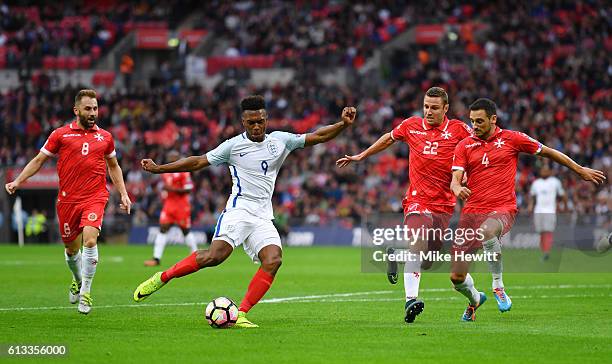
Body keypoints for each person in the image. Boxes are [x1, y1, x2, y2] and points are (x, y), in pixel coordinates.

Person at [133, 95, 356, 328]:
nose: (257, 126)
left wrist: (342, 125)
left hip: (262, 215)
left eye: (260, 121)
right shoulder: (233, 146)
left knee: (273, 260)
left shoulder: (280, 140)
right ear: (243, 122)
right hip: (238, 210)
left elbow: (318, 136)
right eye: (251, 122)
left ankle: (240, 313)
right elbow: (198, 162)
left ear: (266, 119)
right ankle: (162, 277)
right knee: (214, 257)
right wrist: (160, 169)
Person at [450, 98, 605, 321]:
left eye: (480, 121)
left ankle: (498, 286)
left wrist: (579, 169)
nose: (474, 125)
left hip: (502, 208)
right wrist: (456, 187)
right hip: (471, 212)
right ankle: (475, 299)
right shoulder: (464, 145)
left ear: (493, 119)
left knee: (487, 231)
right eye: (472, 121)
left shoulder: (513, 139)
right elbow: (456, 178)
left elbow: (549, 152)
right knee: (456, 277)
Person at [336, 87, 472, 323]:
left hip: (444, 204)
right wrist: (362, 155)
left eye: (434, 108)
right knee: (418, 246)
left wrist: (467, 173)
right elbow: (388, 138)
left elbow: (476, 148)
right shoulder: (411, 125)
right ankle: (410, 300)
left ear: (446, 109)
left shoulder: (459, 130)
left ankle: (396, 256)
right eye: (426, 106)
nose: (428, 111)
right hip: (417, 200)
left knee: (428, 261)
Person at [5, 89, 132, 315]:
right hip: (67, 201)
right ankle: (77, 279)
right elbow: (38, 160)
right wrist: (18, 181)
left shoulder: (105, 137)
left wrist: (123, 193)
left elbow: (113, 166)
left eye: (95, 108)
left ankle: (86, 293)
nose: (93, 112)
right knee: (72, 250)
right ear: (76, 110)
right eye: (88, 109)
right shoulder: (60, 135)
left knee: (90, 242)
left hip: (95, 197)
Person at [144, 151, 197, 266]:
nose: (170, 158)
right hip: (169, 205)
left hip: (181, 206)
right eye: (169, 157)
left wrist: (171, 189)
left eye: (173, 157)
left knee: (185, 230)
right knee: (163, 228)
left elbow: (188, 189)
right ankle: (156, 258)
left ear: (178, 158)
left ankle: (195, 255)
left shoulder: (184, 172)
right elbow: (164, 189)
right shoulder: (166, 173)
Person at [528, 164, 567, 261]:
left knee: (548, 231)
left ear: (550, 172)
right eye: (542, 170)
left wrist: (564, 206)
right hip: (538, 210)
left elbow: (562, 194)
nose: (544, 172)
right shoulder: (536, 183)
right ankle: (544, 252)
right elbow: (532, 196)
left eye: (546, 170)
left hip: (550, 210)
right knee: (541, 232)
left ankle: (547, 252)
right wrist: (530, 206)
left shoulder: (555, 182)